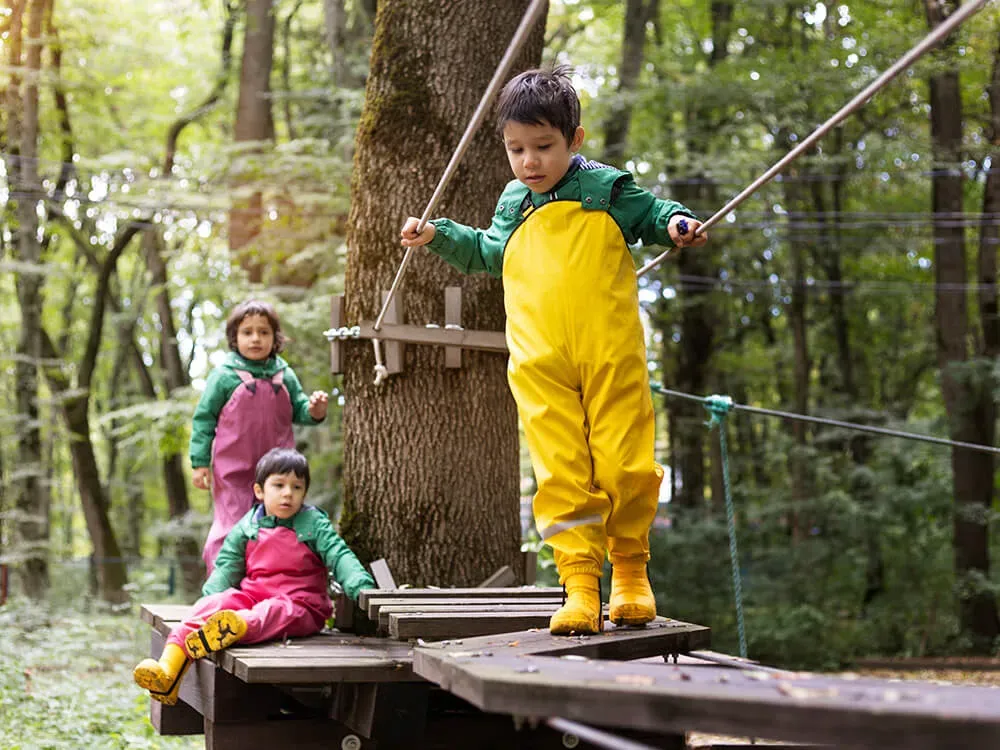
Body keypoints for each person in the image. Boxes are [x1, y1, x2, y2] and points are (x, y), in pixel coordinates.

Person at [400, 66, 708, 636]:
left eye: (544, 147)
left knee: (624, 460)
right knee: (561, 469)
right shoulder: (514, 204)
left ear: (575, 140)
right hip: (540, 361)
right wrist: (438, 235)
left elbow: (656, 215)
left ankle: (632, 573)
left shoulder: (606, 188)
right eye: (517, 149)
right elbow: (488, 253)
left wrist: (679, 224)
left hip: (609, 351)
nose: (529, 162)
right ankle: (580, 582)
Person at [134, 448, 376, 706]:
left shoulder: (314, 523)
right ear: (260, 491)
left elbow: (339, 555)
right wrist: (212, 598)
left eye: (297, 487)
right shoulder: (248, 525)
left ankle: (234, 627)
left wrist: (360, 585)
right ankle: (167, 672)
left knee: (273, 610)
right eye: (279, 485)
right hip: (253, 595)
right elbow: (228, 564)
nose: (288, 493)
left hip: (300, 604)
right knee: (215, 604)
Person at [190, 299, 329, 572]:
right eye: (247, 332)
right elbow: (204, 420)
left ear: (274, 338)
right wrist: (199, 463)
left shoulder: (283, 374)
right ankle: (221, 586)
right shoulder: (224, 376)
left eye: (263, 332)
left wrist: (315, 410)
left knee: (276, 526)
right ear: (234, 338)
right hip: (233, 472)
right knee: (231, 526)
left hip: (277, 471)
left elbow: (299, 410)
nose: (256, 338)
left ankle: (267, 580)